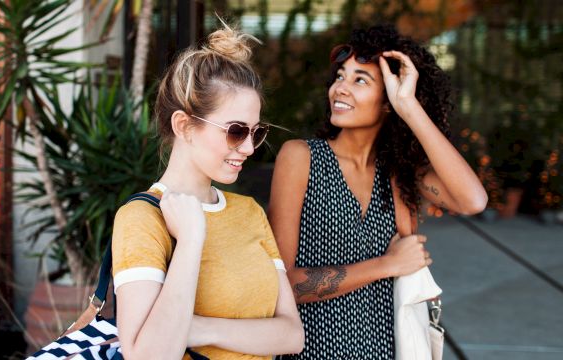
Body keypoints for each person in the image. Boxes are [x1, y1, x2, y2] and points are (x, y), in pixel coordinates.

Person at [268, 25, 488, 359]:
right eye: (340, 76)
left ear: (388, 101)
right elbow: (281, 286)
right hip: (313, 352)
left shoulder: (399, 173)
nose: (340, 88)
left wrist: (409, 107)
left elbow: (473, 201)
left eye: (360, 80)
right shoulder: (301, 158)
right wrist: (387, 265)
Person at [111, 22, 305, 360]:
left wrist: (201, 328)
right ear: (184, 126)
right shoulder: (142, 219)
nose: (248, 147)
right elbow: (147, 356)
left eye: (256, 133)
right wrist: (189, 241)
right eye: (235, 131)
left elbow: (291, 334)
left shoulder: (249, 212)